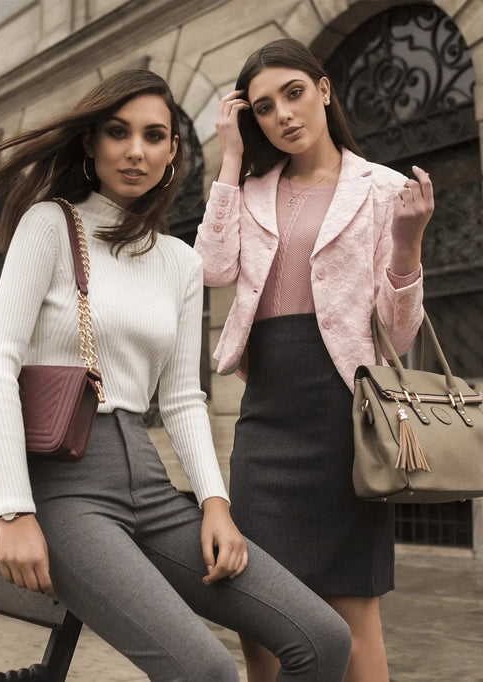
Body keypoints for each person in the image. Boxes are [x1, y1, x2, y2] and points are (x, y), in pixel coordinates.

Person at [0, 69, 352, 681]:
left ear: (173, 153)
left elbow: (184, 399)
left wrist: (215, 504)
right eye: (118, 133)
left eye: (153, 136)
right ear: (91, 144)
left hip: (151, 482)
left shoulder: (179, 261)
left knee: (322, 638)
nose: (135, 150)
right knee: (208, 673)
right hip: (66, 492)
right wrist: (12, 510)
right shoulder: (50, 226)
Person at [194, 40, 434, 682]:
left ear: (324, 90)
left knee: (353, 607)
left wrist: (408, 244)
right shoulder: (247, 191)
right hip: (267, 413)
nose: (284, 115)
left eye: (294, 94)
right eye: (265, 107)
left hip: (347, 413)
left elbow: (397, 332)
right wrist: (231, 158)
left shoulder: (383, 189)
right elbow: (212, 269)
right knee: (254, 606)